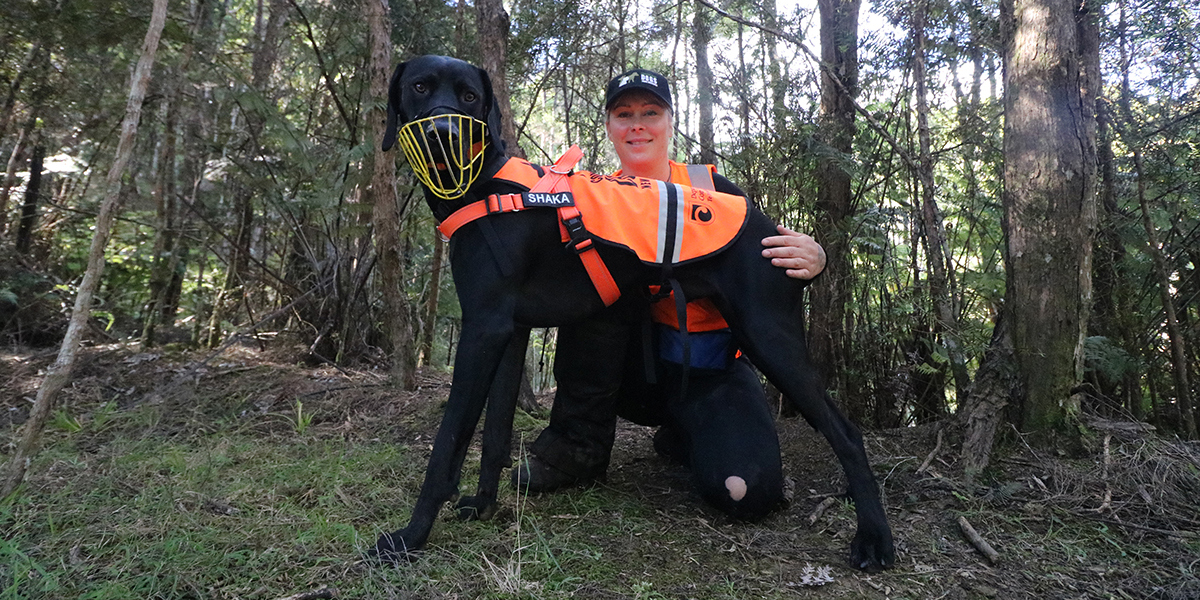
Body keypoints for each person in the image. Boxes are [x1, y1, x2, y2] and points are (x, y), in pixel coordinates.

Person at [512, 68, 826, 520]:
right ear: (610, 127)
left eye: (650, 112)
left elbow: (766, 256)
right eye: (624, 114)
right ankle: (575, 450)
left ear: (670, 121)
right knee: (592, 297)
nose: (637, 124)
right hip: (632, 374)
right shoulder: (595, 196)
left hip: (712, 370)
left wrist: (815, 258)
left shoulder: (708, 186)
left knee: (746, 494)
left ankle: (686, 433)